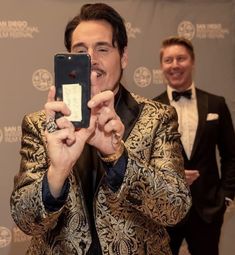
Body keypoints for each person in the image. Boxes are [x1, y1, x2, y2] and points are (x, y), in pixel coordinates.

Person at [10, 4, 191, 255]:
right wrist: (57, 173)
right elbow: (25, 220)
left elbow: (175, 207)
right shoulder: (41, 125)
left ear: (124, 57)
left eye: (102, 49)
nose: (91, 59)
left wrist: (118, 157)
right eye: (80, 50)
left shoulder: (158, 117)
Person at [154, 36, 235, 255]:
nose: (175, 65)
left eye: (181, 58)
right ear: (162, 66)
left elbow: (231, 155)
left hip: (208, 209)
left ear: (192, 62)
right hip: (166, 210)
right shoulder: (151, 109)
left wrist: (226, 196)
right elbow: (145, 163)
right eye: (168, 60)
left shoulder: (216, 103)